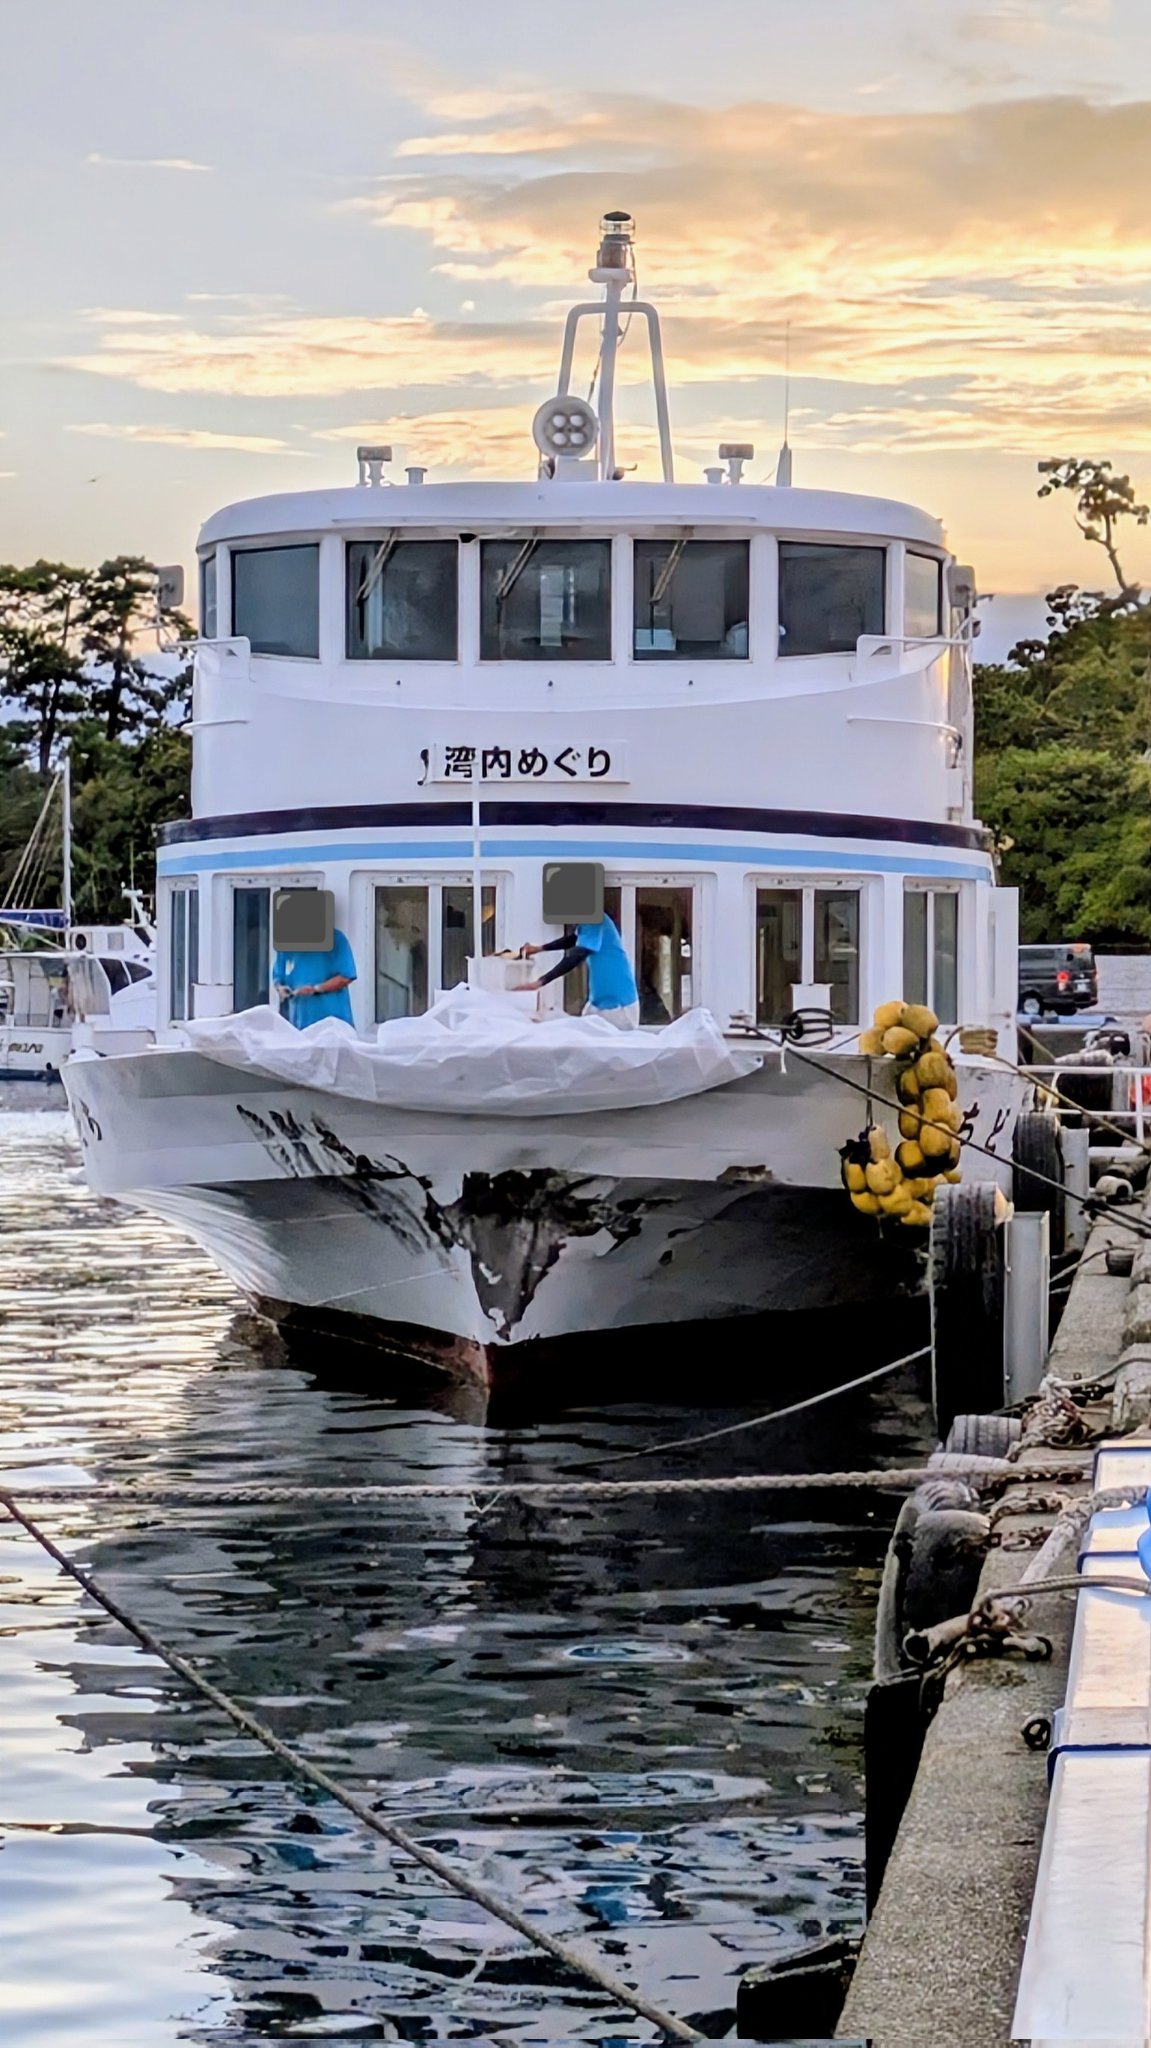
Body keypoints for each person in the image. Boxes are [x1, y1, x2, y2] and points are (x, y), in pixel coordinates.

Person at [514, 914, 640, 1029]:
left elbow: (578, 954)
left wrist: (541, 981)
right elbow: (574, 939)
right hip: (599, 1003)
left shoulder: (595, 919)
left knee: (579, 1038)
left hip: (619, 1007)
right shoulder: (588, 923)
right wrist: (540, 948)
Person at [272, 928, 357, 1028]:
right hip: (298, 1024)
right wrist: (280, 988)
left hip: (333, 1025)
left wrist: (316, 989)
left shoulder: (336, 938)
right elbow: (278, 976)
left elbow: (346, 977)